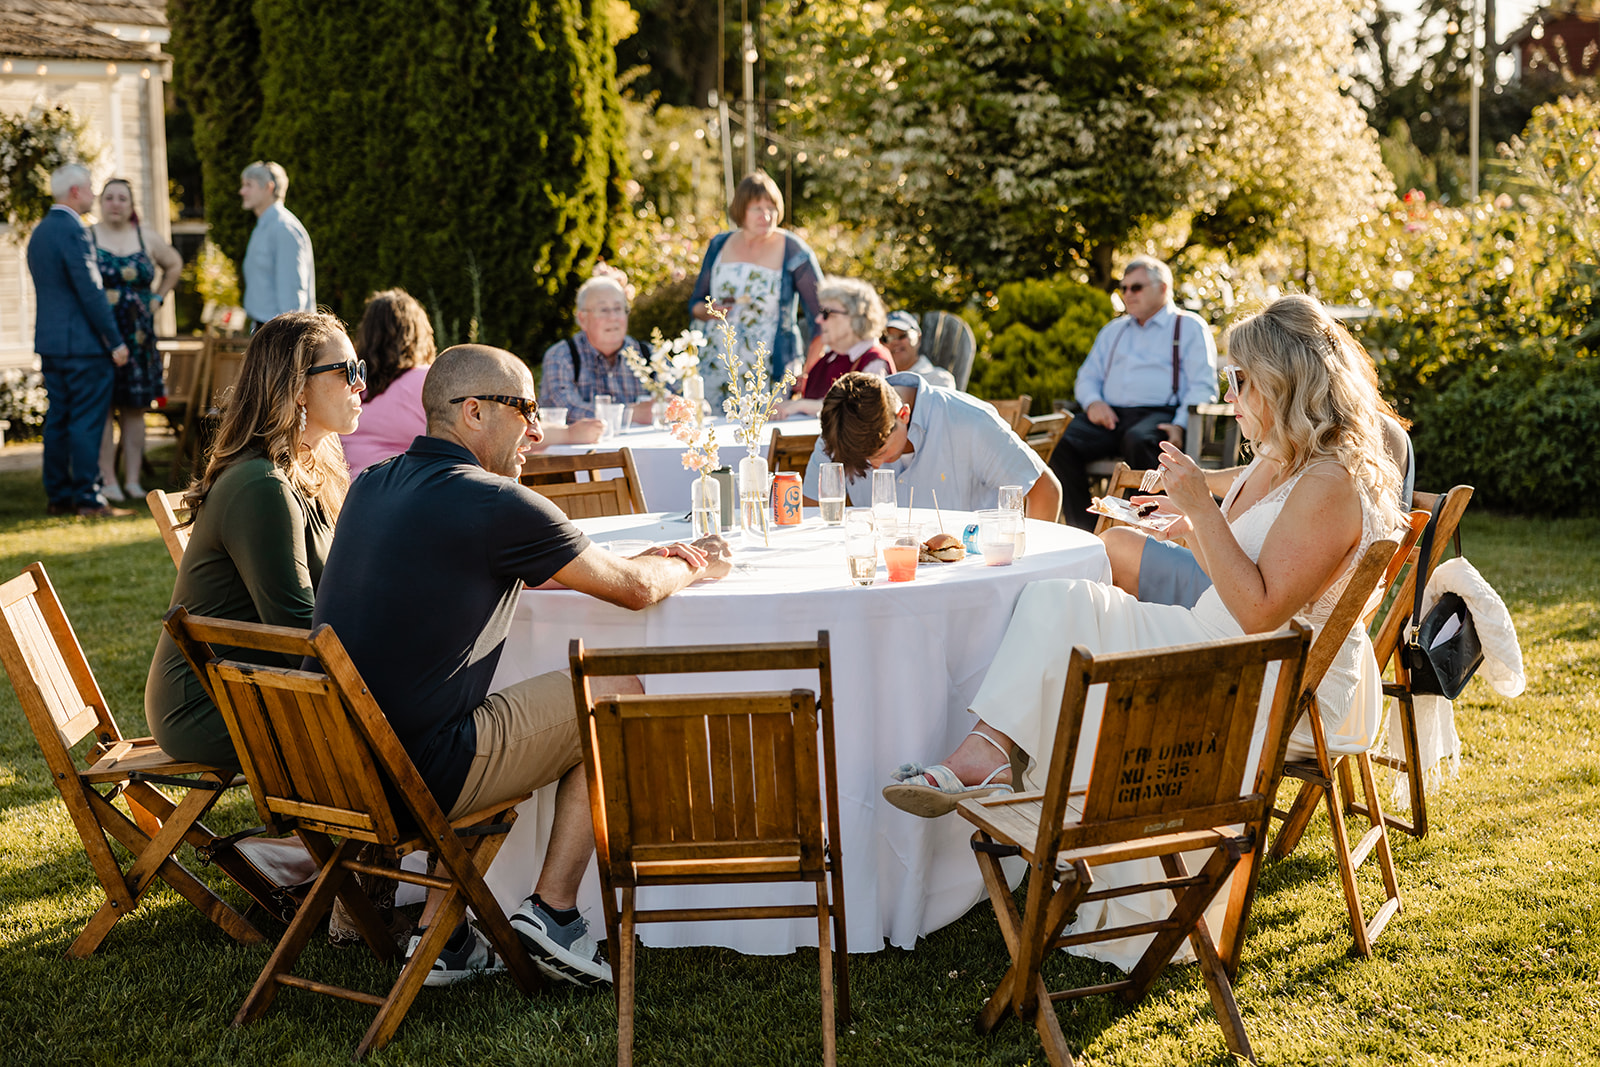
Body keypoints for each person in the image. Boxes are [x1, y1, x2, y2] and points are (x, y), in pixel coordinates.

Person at [882, 294, 1407, 972]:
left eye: (1241, 378)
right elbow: (1248, 567)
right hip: (1223, 640)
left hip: (1266, 675)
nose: (1230, 393)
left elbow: (1259, 609)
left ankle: (999, 771)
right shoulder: (1292, 457)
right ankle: (987, 756)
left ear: (1285, 379)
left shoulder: (1330, 481)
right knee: (1060, 603)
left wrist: (1198, 505)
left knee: (1066, 616)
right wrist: (1190, 524)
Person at [311, 343, 732, 987]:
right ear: (473, 412)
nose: (537, 428)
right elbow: (636, 590)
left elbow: (471, 565)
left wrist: (624, 561)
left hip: (338, 769)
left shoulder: (372, 484)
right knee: (615, 690)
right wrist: (692, 560)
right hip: (419, 776)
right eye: (524, 408)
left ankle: (443, 937)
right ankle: (554, 914)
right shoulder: (493, 502)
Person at [146, 312, 362, 768]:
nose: (360, 385)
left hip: (256, 681)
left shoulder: (311, 467)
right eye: (347, 372)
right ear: (297, 387)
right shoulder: (262, 484)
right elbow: (297, 628)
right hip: (210, 705)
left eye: (360, 369)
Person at [1052, 255, 1218, 531]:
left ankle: (1136, 530)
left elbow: (1202, 386)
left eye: (1136, 287)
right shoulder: (1113, 330)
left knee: (1140, 441)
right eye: (1124, 288)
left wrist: (1179, 425)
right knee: (1062, 441)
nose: (1128, 294)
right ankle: (1089, 529)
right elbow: (1087, 377)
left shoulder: (1188, 326)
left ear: (1163, 288)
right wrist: (1093, 403)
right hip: (1110, 418)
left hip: (1159, 416)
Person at [800, 371, 1062, 520]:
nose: (875, 466)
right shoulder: (840, 430)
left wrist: (1027, 574)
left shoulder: (968, 421)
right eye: (863, 460)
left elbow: (1045, 491)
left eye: (880, 452)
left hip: (971, 581)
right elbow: (809, 514)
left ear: (903, 415)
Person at [27, 164, 132, 518]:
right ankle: (88, 498)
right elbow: (90, 291)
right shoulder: (75, 231)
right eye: (89, 188)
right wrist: (115, 341)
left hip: (51, 343)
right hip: (84, 347)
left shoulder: (40, 231)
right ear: (75, 192)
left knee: (58, 419)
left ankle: (59, 496)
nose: (93, 194)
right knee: (86, 421)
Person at [91, 178, 183, 503]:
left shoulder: (146, 237)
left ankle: (132, 481)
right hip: (101, 339)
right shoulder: (89, 237)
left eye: (122, 198)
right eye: (110, 197)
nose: (115, 203)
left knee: (134, 412)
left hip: (139, 341)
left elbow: (174, 264)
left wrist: (157, 299)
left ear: (131, 205)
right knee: (102, 411)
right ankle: (106, 480)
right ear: (101, 202)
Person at [689, 171, 822, 393]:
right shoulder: (719, 245)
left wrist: (809, 370)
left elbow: (822, 316)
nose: (766, 215)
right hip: (716, 364)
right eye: (757, 208)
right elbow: (695, 304)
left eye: (771, 208)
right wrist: (710, 311)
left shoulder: (794, 250)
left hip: (770, 367)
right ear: (741, 210)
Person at [539, 274, 653, 425]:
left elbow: (679, 400)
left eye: (619, 309)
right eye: (604, 310)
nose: (613, 317)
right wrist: (630, 414)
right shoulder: (561, 356)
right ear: (582, 319)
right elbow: (563, 410)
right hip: (586, 449)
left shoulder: (650, 354)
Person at [773, 277, 892, 419]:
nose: (818, 319)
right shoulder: (828, 360)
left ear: (855, 317)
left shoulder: (874, 361)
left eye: (826, 313)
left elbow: (865, 412)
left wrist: (802, 405)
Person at [239, 161, 315, 326]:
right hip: (265, 330)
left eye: (248, 185)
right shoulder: (264, 227)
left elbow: (293, 298)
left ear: (269, 187)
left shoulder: (284, 229)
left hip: (281, 335)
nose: (242, 191)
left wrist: (285, 344)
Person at [882, 310, 956, 390]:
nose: (895, 342)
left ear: (919, 338)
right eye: (887, 338)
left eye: (902, 335)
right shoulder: (878, 376)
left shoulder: (939, 379)